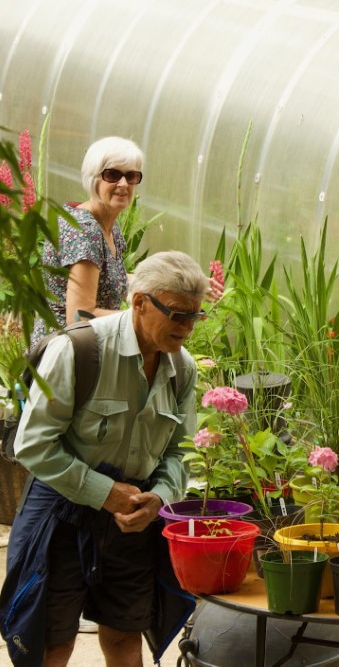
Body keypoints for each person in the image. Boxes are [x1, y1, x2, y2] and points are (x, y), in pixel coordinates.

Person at [1, 251, 209, 667]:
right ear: (139, 302)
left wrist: (161, 497)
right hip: (60, 511)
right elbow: (33, 445)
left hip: (134, 515)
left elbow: (181, 451)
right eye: (177, 315)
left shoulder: (182, 368)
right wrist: (103, 492)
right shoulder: (79, 350)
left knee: (125, 634)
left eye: (195, 317)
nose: (186, 328)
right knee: (51, 641)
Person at [30, 137, 222, 346]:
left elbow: (115, 279)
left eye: (131, 176)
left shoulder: (107, 225)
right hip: (65, 355)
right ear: (93, 178)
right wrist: (143, 319)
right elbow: (79, 317)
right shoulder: (85, 232)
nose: (123, 184)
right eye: (112, 175)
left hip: (90, 346)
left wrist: (182, 288)